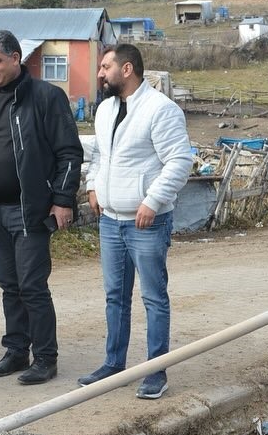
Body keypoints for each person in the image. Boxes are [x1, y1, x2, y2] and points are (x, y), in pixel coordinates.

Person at [0, 29, 83, 386]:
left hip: (30, 208)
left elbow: (69, 152)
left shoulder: (47, 97)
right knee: (9, 285)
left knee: (32, 285)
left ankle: (45, 358)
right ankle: (16, 350)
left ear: (16, 58)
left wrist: (62, 200)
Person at [78, 44, 192, 400]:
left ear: (127, 69)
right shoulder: (106, 109)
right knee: (115, 297)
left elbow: (179, 161)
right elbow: (100, 154)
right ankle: (114, 364)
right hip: (110, 221)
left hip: (147, 223)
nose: (100, 73)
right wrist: (93, 185)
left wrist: (153, 201)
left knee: (153, 297)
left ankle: (155, 371)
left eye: (105, 66)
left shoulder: (160, 110)